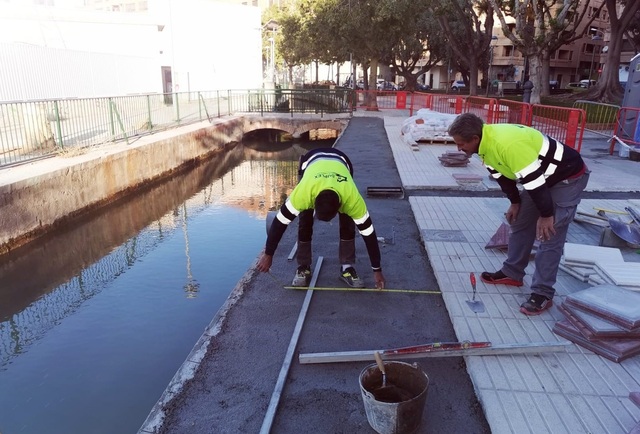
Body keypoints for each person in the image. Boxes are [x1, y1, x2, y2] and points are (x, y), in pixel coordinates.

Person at [448, 113, 589, 315]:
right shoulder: (485, 145)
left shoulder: (508, 145)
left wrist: (547, 215)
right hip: (542, 178)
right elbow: (501, 174)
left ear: (475, 139)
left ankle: (543, 293)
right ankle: (512, 273)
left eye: (461, 144)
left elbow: (536, 184)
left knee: (549, 233)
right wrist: (515, 202)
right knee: (520, 220)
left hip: (567, 176)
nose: (459, 149)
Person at [256, 148, 386, 289]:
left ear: (340, 205)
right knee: (305, 219)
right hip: (310, 163)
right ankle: (303, 266)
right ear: (313, 201)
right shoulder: (303, 194)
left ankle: (347, 268)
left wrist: (377, 270)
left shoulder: (352, 199)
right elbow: (279, 223)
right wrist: (268, 254)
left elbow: (369, 235)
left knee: (348, 222)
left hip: (342, 162)